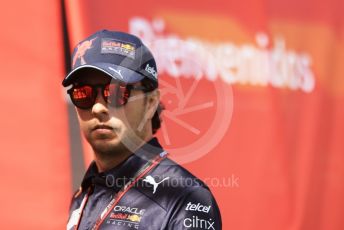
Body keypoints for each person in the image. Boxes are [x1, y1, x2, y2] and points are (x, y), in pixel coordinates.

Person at [62, 30, 222, 230]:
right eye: (83, 93)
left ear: (150, 103)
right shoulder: (85, 193)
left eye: (115, 93)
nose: (97, 107)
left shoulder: (186, 198)